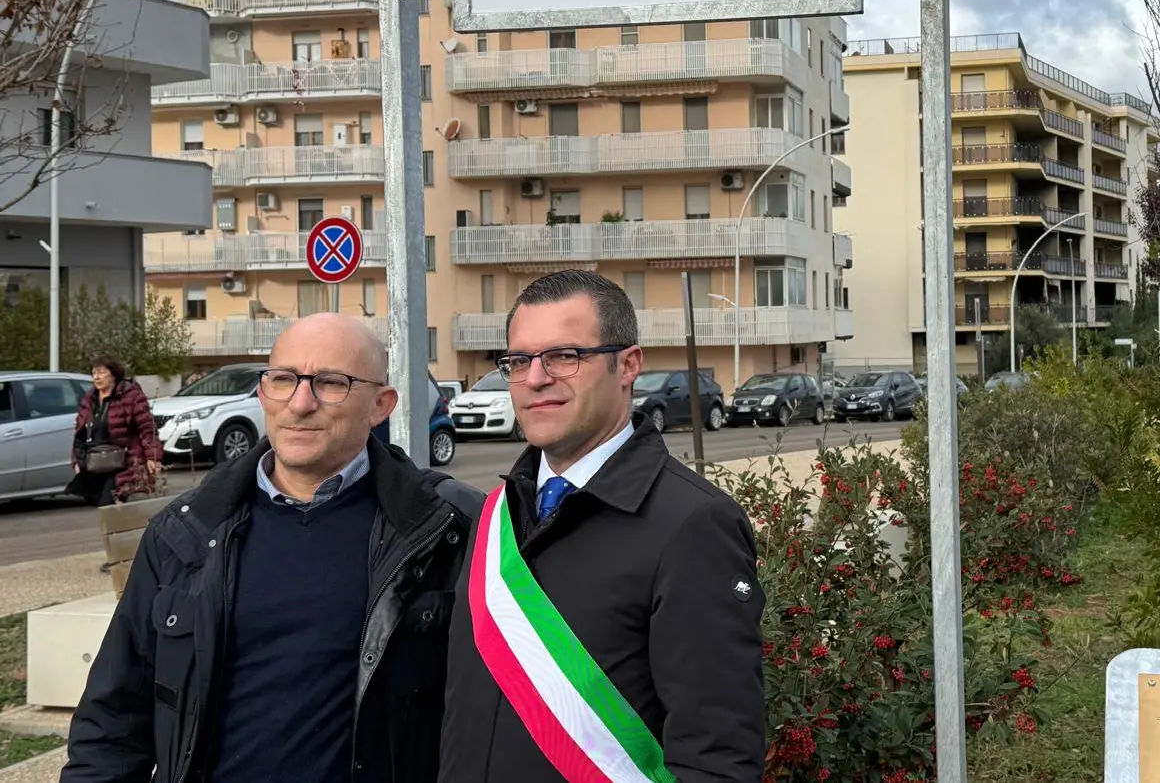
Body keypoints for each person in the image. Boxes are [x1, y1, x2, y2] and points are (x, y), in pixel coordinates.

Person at [60, 314, 484, 783]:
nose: (301, 403)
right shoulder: (185, 533)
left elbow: (497, 722)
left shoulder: (448, 529)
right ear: (263, 393)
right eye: (283, 380)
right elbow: (114, 717)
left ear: (380, 405)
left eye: (330, 383)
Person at [437, 269, 766, 783]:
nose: (536, 378)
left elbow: (717, 756)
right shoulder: (496, 513)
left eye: (564, 356)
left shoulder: (693, 524)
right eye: (519, 361)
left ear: (628, 365)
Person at [67, 355, 159, 507]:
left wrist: (152, 456)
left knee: (109, 505)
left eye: (101, 372)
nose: (96, 377)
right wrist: (77, 460)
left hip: (124, 461)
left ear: (114, 374)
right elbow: (80, 432)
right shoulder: (90, 399)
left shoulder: (131, 396)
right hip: (95, 463)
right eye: (94, 373)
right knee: (106, 508)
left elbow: (147, 427)